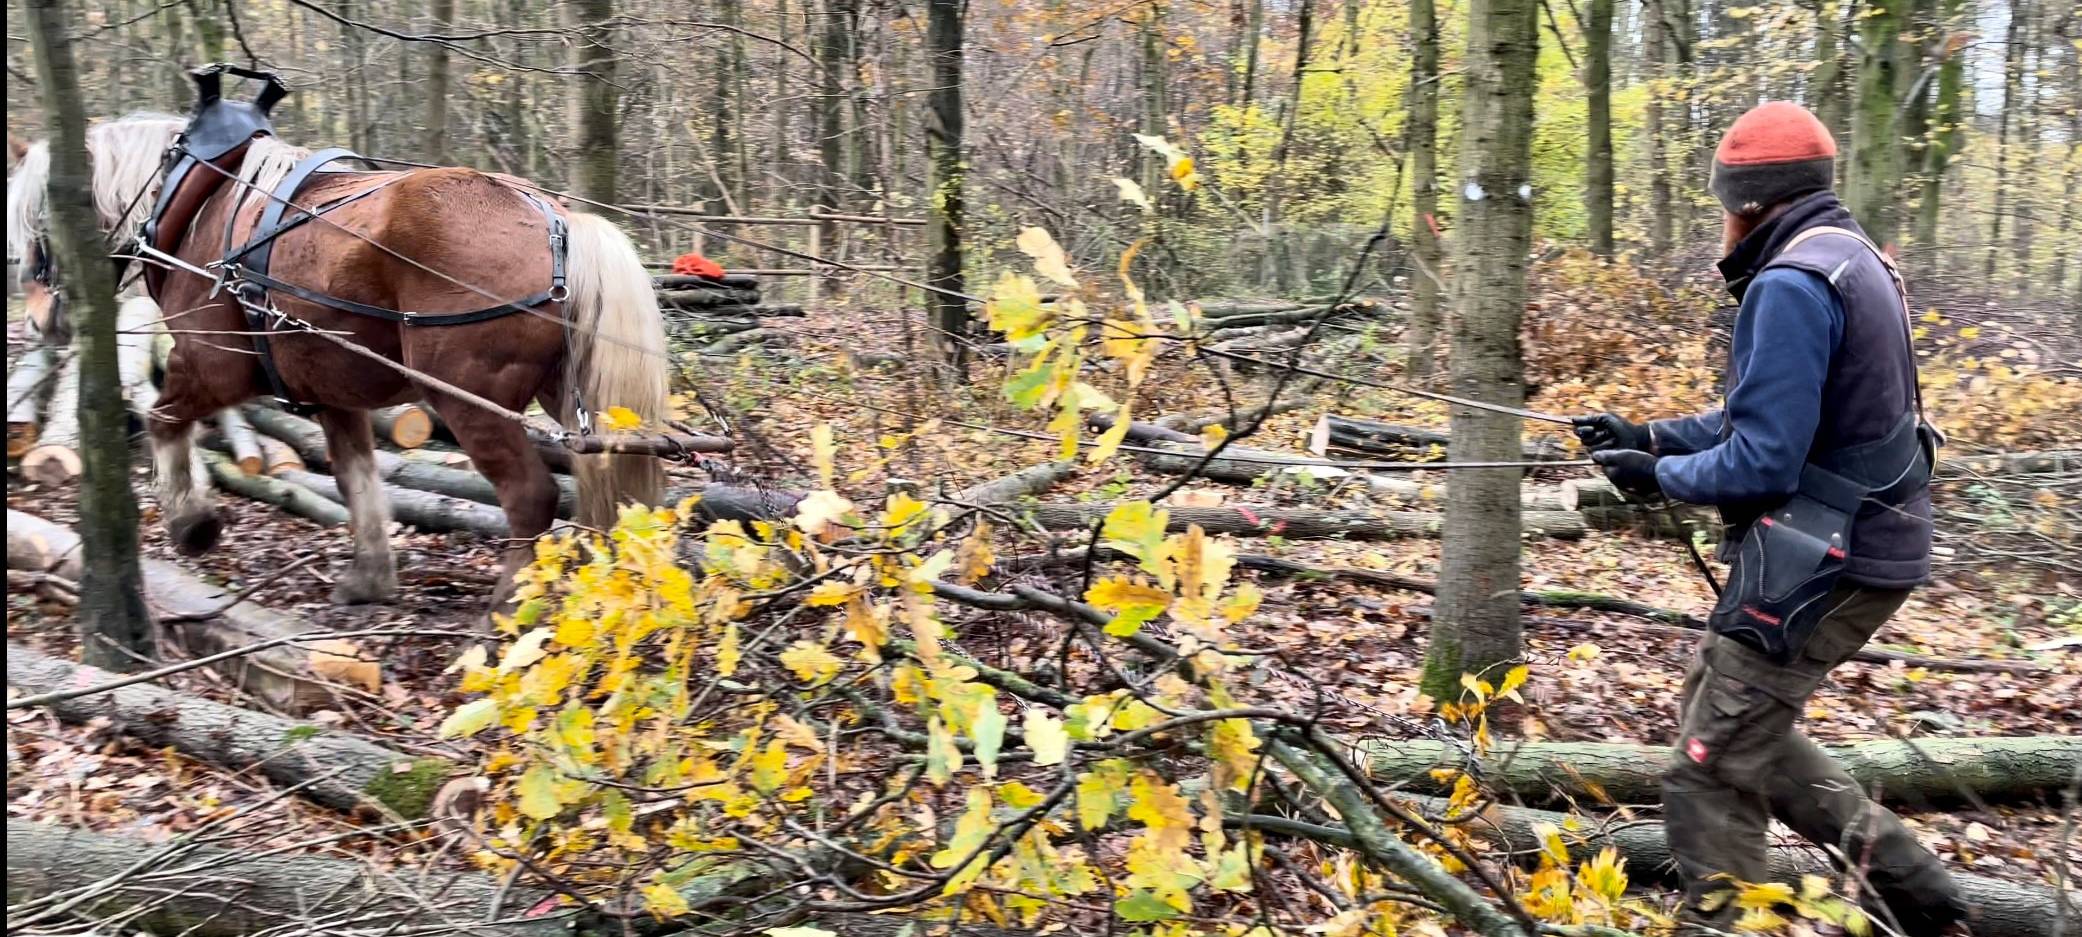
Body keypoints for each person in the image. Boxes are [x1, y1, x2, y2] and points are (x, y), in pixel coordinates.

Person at [1572, 102, 1965, 935]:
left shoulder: (1791, 282)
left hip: (1829, 556)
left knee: (1706, 769)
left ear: (1746, 201)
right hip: (1844, 542)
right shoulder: (1848, 259)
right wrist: (1649, 436)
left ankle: (1733, 924)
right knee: (1738, 725)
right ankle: (1927, 897)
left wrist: (1661, 475)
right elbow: (1768, 417)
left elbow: (1763, 461)